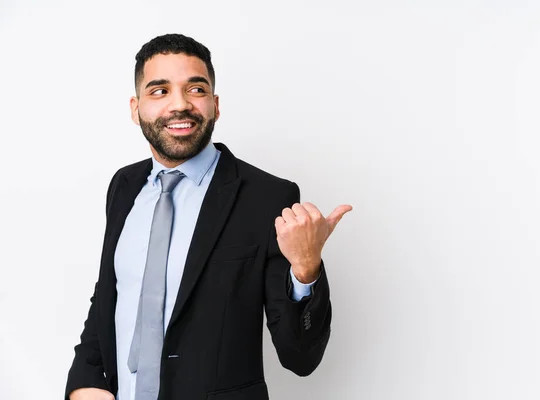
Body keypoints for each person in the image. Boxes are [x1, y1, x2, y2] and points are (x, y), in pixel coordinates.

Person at [65, 33, 352, 400]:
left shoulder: (268, 197)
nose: (179, 105)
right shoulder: (123, 186)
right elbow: (110, 294)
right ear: (135, 109)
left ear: (215, 104)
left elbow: (301, 357)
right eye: (159, 91)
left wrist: (306, 269)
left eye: (196, 89)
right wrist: (83, 382)